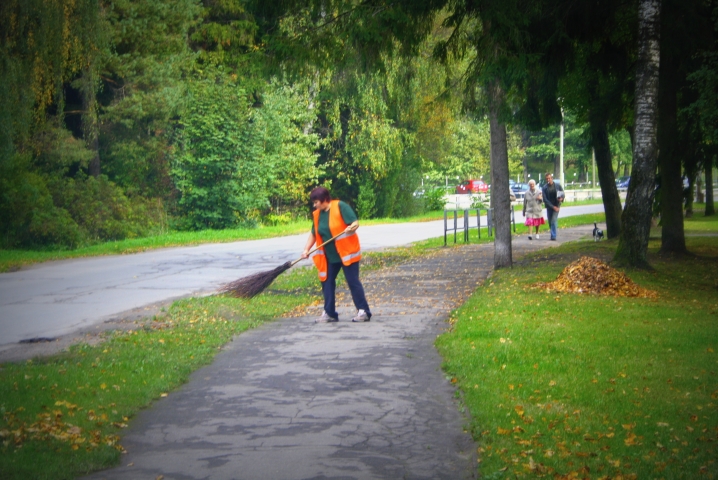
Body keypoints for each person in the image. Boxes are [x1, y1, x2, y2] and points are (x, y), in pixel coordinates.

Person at [301, 187, 372, 323]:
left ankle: (364, 312)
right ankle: (329, 313)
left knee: (353, 281)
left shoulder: (340, 206)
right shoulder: (317, 215)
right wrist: (306, 250)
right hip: (329, 256)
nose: (314, 205)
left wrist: (352, 227)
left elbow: (355, 223)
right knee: (327, 282)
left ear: (324, 200)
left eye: (316, 202)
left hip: (346, 254)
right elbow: (314, 233)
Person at [541, 173, 565, 241]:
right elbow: (545, 199)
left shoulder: (557, 186)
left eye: (549, 178)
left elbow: (562, 194)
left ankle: (553, 236)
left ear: (552, 178)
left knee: (553, 220)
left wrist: (561, 199)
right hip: (549, 206)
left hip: (556, 205)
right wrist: (552, 206)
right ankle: (552, 233)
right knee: (550, 221)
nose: (548, 180)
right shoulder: (544, 188)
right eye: (547, 179)